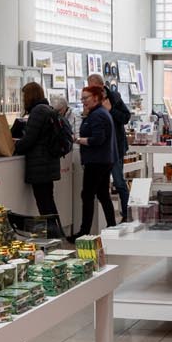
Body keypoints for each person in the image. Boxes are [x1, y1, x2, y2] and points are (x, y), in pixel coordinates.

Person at [12, 81, 65, 236]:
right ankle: (57, 233)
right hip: (48, 163)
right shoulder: (46, 109)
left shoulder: (37, 112)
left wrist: (14, 146)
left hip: (40, 165)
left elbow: (30, 139)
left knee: (44, 204)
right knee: (48, 201)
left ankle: (53, 234)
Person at [74, 84, 118, 237]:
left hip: (96, 161)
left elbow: (98, 139)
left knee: (87, 195)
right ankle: (112, 226)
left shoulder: (97, 115)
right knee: (102, 194)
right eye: (82, 98)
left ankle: (84, 232)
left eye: (85, 98)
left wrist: (79, 140)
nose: (83, 101)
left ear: (96, 97)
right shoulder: (100, 113)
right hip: (104, 160)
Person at [87, 73, 131, 219]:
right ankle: (109, 221)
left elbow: (125, 117)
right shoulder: (92, 101)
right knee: (101, 189)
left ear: (100, 85)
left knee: (119, 183)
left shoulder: (114, 96)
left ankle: (126, 215)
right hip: (100, 150)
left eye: (92, 86)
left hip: (115, 148)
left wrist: (111, 110)